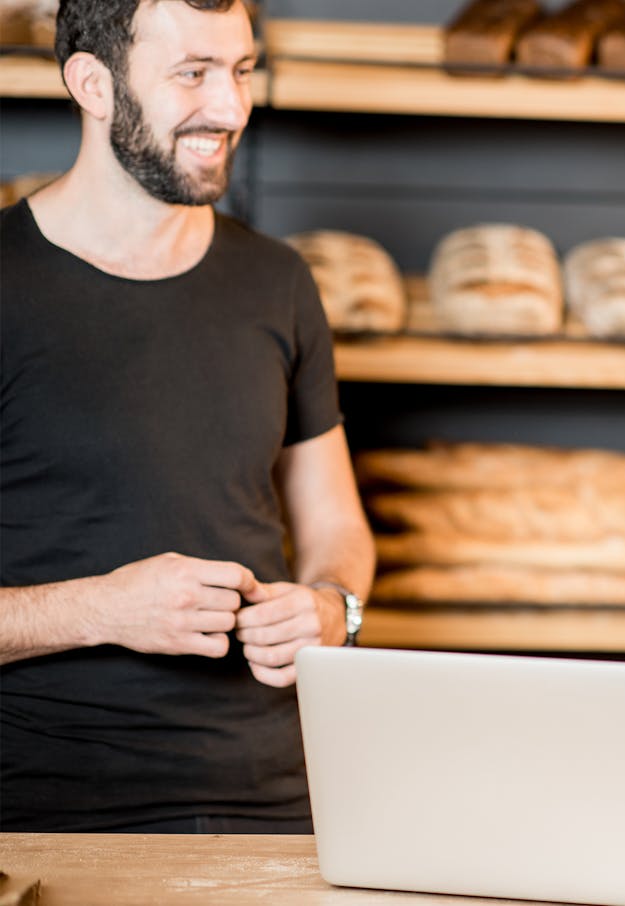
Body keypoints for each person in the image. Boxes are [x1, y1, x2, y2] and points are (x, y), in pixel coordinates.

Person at [0, 0, 375, 832]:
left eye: (240, 70)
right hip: (52, 812)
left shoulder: (277, 281)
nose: (232, 109)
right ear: (91, 84)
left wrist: (330, 607)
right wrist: (103, 607)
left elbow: (337, 526)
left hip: (280, 797)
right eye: (192, 74)